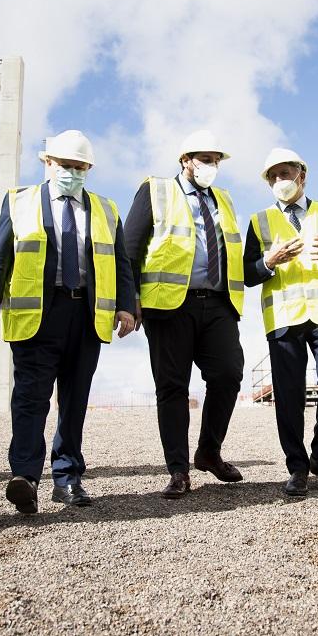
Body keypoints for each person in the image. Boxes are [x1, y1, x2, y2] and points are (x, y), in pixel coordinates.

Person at [0, 130, 136, 514]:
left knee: (74, 400)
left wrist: (127, 306)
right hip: (37, 316)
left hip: (86, 315)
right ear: (47, 163)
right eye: (65, 165)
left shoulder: (105, 209)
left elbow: (120, 262)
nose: (72, 172)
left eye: (80, 167)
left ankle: (67, 477)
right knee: (30, 398)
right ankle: (26, 477)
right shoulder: (19, 202)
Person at [124, 130, 246, 499]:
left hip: (218, 303)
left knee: (228, 374)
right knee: (172, 387)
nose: (211, 166)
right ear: (185, 160)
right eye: (205, 159)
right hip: (167, 305)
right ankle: (178, 470)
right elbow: (130, 246)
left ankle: (208, 451)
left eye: (216, 160)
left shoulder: (223, 200)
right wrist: (130, 300)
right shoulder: (155, 190)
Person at [243, 147, 318, 497]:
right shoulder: (259, 221)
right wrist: (269, 260)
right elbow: (247, 274)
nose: (280, 180)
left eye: (286, 173)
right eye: (273, 176)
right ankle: (298, 467)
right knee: (288, 397)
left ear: (302, 176)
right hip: (284, 318)